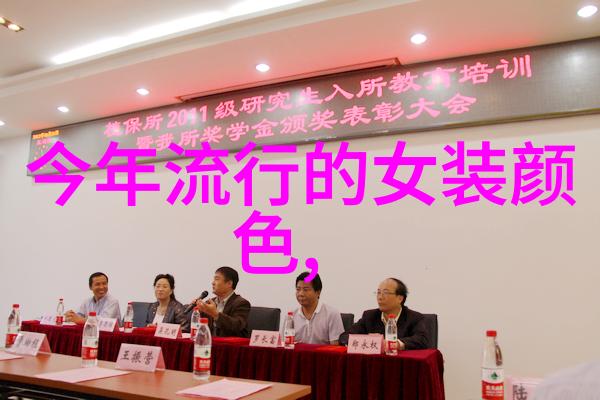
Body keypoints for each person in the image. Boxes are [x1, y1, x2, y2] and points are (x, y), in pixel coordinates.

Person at [339, 277, 429, 350]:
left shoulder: (414, 318)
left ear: (400, 298)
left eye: (385, 293)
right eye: (378, 292)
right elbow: (344, 337)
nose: (380, 297)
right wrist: (368, 340)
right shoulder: (369, 316)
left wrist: (396, 344)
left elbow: (422, 340)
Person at [189, 266, 251, 337]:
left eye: (217, 279)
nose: (213, 283)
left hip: (230, 343)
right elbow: (200, 328)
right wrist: (198, 312)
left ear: (229, 284)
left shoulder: (241, 303)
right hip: (210, 342)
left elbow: (237, 326)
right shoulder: (209, 303)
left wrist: (215, 314)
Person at [289, 272, 344, 345]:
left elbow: (336, 347)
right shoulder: (291, 316)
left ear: (318, 292)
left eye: (306, 289)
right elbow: (286, 344)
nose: (301, 294)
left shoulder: (331, 314)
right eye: (298, 289)